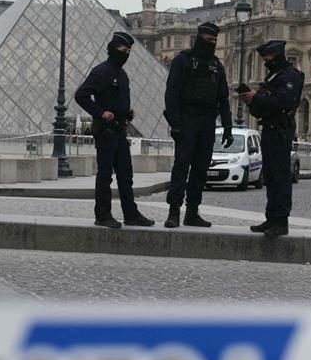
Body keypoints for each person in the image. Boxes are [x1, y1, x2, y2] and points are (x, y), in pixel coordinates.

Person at [74, 31, 155, 229]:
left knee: (126, 175)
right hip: (106, 131)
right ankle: (102, 215)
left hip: (120, 130)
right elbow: (81, 95)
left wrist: (128, 114)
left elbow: (118, 101)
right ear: (112, 49)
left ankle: (130, 214)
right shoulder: (101, 71)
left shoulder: (122, 74)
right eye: (123, 49)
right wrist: (101, 113)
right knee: (105, 175)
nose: (126, 53)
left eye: (128, 51)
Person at [163, 21, 233, 228]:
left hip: (207, 122)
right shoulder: (182, 60)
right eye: (209, 39)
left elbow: (224, 99)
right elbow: (171, 94)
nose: (212, 43)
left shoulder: (216, 65)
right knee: (181, 167)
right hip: (187, 120)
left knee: (200, 169)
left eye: (214, 40)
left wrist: (228, 127)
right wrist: (175, 124)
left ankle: (192, 211)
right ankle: (174, 211)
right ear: (199, 37)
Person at [238, 39, 304, 238]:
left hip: (281, 130)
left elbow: (284, 101)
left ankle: (281, 221)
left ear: (276, 56)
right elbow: (263, 108)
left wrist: (257, 97)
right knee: (271, 176)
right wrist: (251, 101)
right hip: (269, 128)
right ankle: (271, 217)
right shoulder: (274, 76)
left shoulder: (291, 76)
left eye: (267, 57)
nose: (265, 61)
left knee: (281, 176)